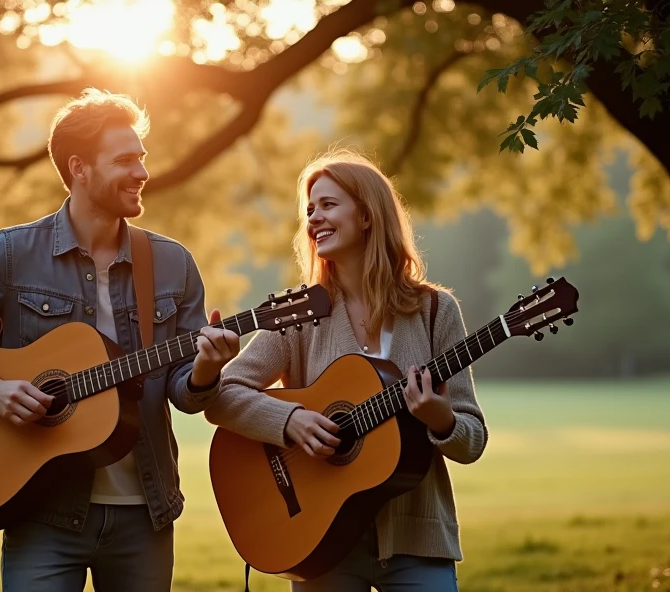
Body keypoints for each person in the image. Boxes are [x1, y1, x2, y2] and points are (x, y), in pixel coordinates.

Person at [0, 88, 240, 592]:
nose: (142, 172)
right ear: (79, 168)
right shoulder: (14, 254)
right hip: (43, 512)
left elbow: (183, 394)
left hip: (144, 513)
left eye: (141, 159)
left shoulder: (172, 264)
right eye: (124, 160)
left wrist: (208, 368)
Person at [204, 149, 487, 591]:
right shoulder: (302, 314)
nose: (314, 218)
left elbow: (472, 440)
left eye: (329, 205)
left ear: (368, 215)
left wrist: (441, 419)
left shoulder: (436, 311)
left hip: (418, 541)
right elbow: (222, 394)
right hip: (321, 541)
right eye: (310, 209)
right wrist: (289, 420)